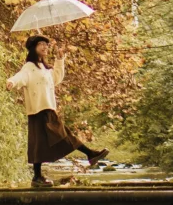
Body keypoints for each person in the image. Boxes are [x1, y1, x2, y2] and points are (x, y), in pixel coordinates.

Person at [6, 34, 107, 186]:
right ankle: (39, 176)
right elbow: (20, 77)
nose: (45, 47)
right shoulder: (29, 68)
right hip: (37, 110)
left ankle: (88, 155)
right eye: (41, 44)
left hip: (48, 108)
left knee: (61, 136)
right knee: (43, 141)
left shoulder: (45, 69)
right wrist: (11, 82)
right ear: (33, 48)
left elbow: (57, 78)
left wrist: (60, 60)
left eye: (46, 44)